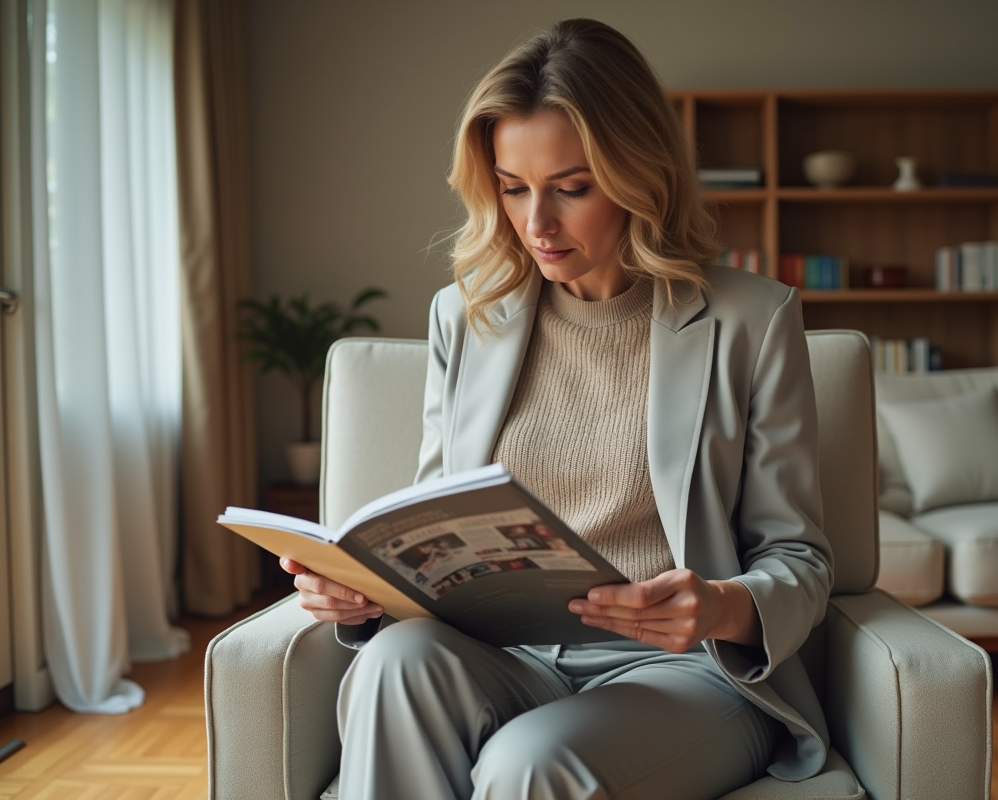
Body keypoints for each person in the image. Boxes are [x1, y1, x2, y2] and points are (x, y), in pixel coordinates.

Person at [281, 18, 833, 800]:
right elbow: (434, 529)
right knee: (392, 664)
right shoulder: (464, 315)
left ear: (642, 175)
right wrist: (366, 589)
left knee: (530, 763)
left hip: (680, 673)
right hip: (505, 657)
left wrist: (719, 606)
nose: (536, 223)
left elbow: (801, 559)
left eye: (571, 189)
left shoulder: (752, 320)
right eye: (512, 188)